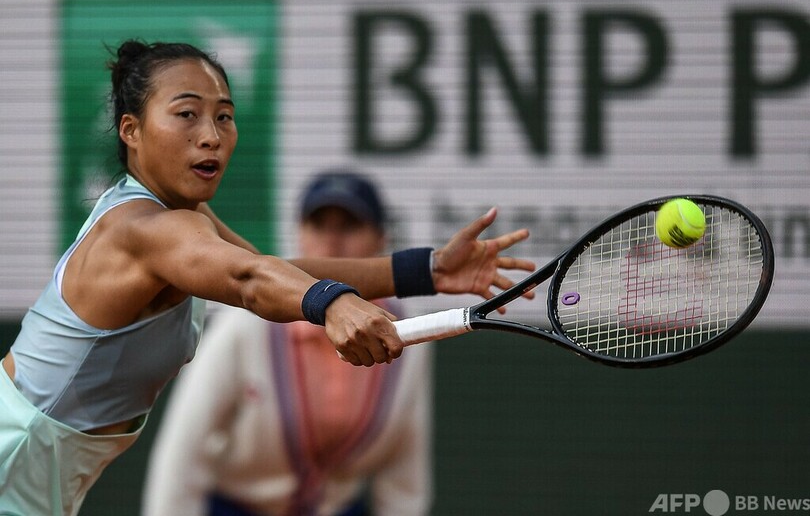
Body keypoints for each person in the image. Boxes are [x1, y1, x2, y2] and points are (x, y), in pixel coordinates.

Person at [0, 39, 534, 516]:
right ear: (131, 131)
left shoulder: (184, 217)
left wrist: (425, 270)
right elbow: (250, 280)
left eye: (224, 117)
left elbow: (277, 274)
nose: (211, 136)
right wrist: (333, 303)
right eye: (186, 114)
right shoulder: (143, 229)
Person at [143, 171, 433, 516]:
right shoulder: (246, 325)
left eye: (349, 226)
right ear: (299, 234)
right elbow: (181, 456)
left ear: (381, 240)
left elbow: (404, 471)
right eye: (318, 225)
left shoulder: (403, 333)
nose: (331, 241)